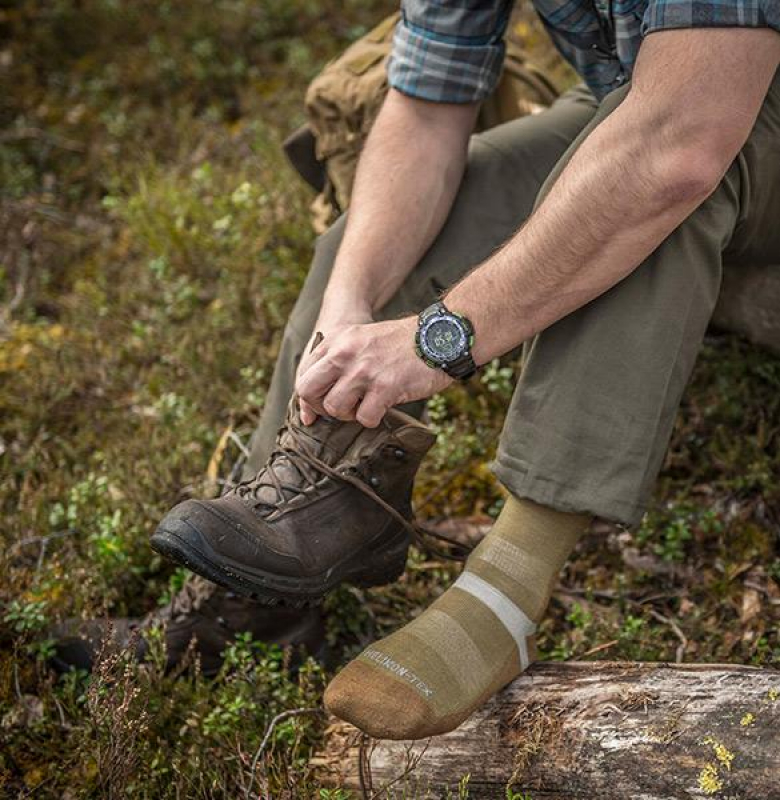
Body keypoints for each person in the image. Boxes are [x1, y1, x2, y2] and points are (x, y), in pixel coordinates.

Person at [95, 0, 780, 740]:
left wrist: (437, 339)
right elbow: (427, 105)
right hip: (629, 88)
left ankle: (505, 592)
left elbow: (684, 136)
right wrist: (349, 305)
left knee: (644, 188)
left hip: (732, 102)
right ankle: (256, 601)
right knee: (359, 252)